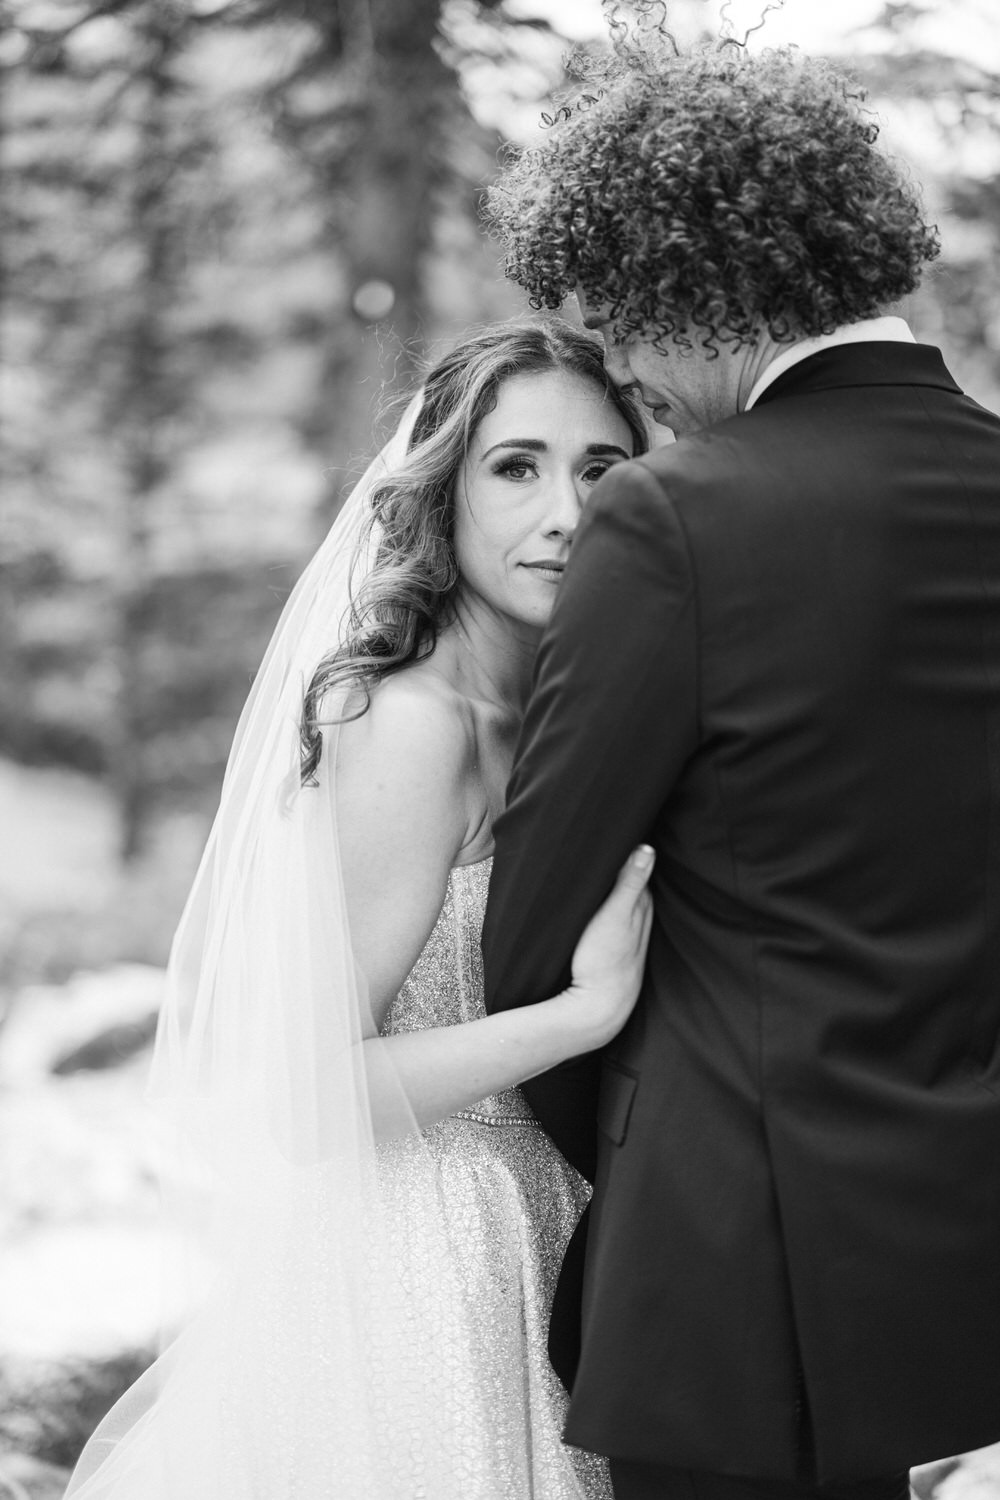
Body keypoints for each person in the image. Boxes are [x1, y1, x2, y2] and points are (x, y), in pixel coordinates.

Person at [481, 35, 1000, 1500]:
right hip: (939, 1245)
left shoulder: (677, 521)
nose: (630, 371)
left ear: (694, 285)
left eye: (624, 321)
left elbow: (538, 929)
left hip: (720, 1253)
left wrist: (649, 1141)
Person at [63, 321, 654, 1500]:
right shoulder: (409, 722)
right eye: (516, 466)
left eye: (601, 469)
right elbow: (308, 1093)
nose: (564, 512)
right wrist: (579, 1019)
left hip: (543, 1233)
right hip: (421, 1260)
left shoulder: (549, 709)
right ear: (443, 494)